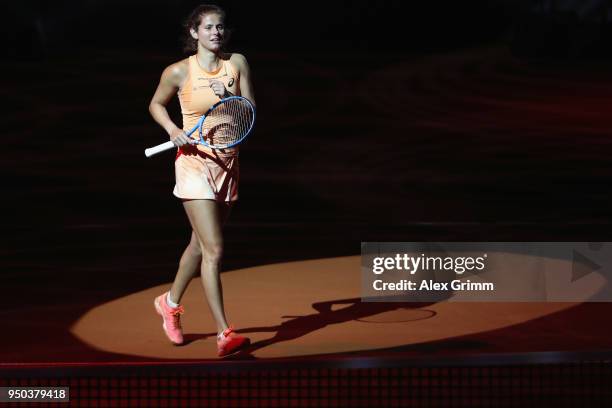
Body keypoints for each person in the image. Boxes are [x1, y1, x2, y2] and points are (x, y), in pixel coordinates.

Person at [148, 4, 255, 357]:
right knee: (214, 250)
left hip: (227, 163)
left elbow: (249, 110)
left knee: (198, 245)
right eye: (209, 27)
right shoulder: (178, 71)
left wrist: (233, 101)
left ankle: (170, 302)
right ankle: (224, 333)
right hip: (193, 165)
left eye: (221, 27)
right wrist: (174, 130)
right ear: (194, 32)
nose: (216, 33)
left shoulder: (236, 63)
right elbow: (156, 105)